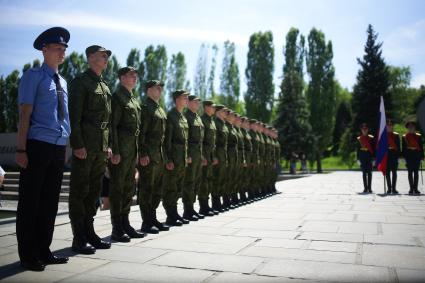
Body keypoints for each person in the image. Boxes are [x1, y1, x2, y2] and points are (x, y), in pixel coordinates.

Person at [15, 27, 70, 271]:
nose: (62, 52)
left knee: (50, 202)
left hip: (58, 147)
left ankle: (44, 250)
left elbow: (64, 116)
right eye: (58, 48)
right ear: (44, 50)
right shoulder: (32, 76)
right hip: (37, 145)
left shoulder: (63, 81)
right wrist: (20, 149)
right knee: (31, 202)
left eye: (64, 49)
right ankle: (28, 255)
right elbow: (24, 114)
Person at [68, 45, 113, 254]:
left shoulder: (104, 84)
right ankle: (79, 237)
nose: (106, 59)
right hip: (85, 145)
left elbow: (107, 121)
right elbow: (74, 117)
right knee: (80, 191)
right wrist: (77, 144)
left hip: (100, 147)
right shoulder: (80, 82)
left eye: (106, 57)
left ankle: (89, 232)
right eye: (102, 56)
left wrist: (108, 145)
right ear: (91, 57)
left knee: (94, 191)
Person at [109, 66, 145, 242]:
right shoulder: (117, 97)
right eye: (131, 75)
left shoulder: (134, 100)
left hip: (131, 151)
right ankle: (117, 227)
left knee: (129, 188)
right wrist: (115, 150)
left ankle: (125, 222)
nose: (135, 78)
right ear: (122, 78)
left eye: (136, 75)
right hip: (121, 151)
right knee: (118, 188)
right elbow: (113, 126)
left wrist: (137, 152)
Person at [137, 80, 169, 234]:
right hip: (149, 155)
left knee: (157, 189)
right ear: (149, 90)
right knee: (146, 189)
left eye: (162, 88)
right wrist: (143, 153)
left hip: (159, 155)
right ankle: (146, 221)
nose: (160, 90)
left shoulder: (161, 110)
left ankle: (153, 217)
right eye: (157, 88)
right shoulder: (145, 108)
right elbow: (141, 133)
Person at [162, 90, 190, 225]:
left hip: (181, 158)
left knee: (178, 187)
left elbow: (186, 140)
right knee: (170, 187)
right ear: (177, 99)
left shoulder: (183, 117)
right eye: (184, 97)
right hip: (173, 157)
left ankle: (175, 213)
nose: (186, 99)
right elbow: (167, 140)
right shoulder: (171, 116)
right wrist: (168, 159)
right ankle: (170, 215)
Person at [183, 95, 208, 219]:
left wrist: (202, 155)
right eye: (195, 102)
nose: (198, 104)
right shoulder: (186, 117)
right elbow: (186, 138)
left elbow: (201, 140)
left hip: (198, 154)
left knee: (197, 181)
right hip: (191, 154)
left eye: (198, 102)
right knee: (189, 182)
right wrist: (187, 155)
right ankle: (187, 210)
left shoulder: (197, 118)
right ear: (189, 103)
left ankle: (192, 208)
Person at [199, 100, 218, 215]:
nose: (214, 109)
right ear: (206, 107)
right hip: (205, 154)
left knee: (209, 180)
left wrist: (214, 156)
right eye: (212, 107)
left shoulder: (212, 121)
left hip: (211, 154)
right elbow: (201, 140)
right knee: (204, 181)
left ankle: (207, 205)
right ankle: (203, 206)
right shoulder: (203, 120)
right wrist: (202, 156)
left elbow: (213, 142)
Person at [212, 105, 228, 212]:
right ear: (217, 112)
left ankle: (221, 202)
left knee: (222, 179)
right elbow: (214, 142)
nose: (225, 113)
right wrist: (214, 156)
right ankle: (216, 203)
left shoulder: (224, 125)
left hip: (223, 154)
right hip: (218, 154)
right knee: (216, 179)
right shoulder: (216, 123)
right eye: (223, 111)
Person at [402, 120, 424, 195]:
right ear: (407, 128)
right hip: (409, 156)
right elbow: (404, 148)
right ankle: (411, 188)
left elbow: (421, 147)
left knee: (416, 172)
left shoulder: (418, 136)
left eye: (412, 127)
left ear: (414, 128)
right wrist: (404, 157)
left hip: (416, 155)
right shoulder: (404, 137)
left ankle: (416, 188)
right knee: (410, 172)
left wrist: (422, 156)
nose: (411, 128)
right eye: (409, 127)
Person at [357, 123, 375, 193]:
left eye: (366, 129)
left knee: (370, 173)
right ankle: (365, 188)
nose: (364, 130)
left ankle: (370, 188)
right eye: (363, 129)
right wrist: (358, 159)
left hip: (369, 156)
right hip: (362, 157)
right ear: (361, 130)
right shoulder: (359, 139)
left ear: (368, 130)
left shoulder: (371, 138)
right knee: (364, 173)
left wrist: (374, 158)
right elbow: (358, 149)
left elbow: (373, 148)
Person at [386, 119, 400, 194]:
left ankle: (394, 188)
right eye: (388, 125)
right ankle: (389, 188)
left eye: (390, 125)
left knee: (394, 172)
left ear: (392, 126)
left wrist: (398, 156)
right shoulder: (384, 135)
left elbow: (398, 146)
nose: (389, 126)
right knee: (387, 173)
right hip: (387, 155)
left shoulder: (396, 135)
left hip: (394, 155)